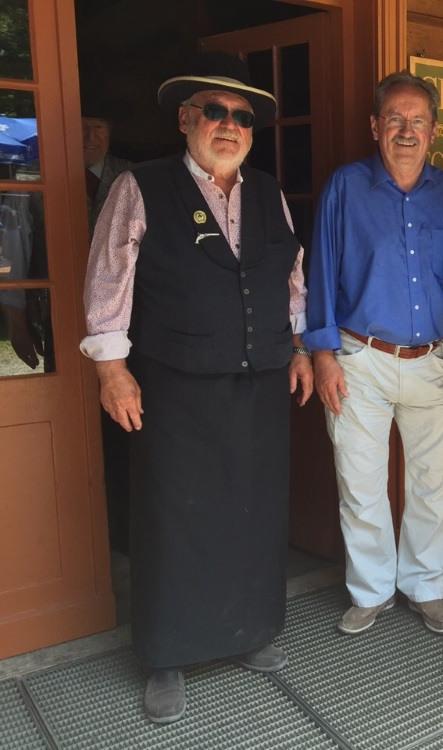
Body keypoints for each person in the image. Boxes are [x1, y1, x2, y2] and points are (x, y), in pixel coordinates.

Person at [80, 51, 313, 725]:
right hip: (174, 388)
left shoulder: (268, 192)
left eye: (242, 116)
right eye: (215, 111)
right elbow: (109, 279)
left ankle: (248, 632)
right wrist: (111, 369)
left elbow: (290, 277)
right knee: (174, 519)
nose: (229, 125)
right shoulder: (142, 186)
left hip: (260, 381)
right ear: (186, 119)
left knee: (252, 512)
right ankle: (166, 654)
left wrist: (299, 346)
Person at [303, 72, 443, 637]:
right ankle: (371, 590)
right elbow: (321, 270)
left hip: (435, 360)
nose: (406, 130)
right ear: (375, 126)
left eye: (418, 120)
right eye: (395, 119)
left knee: (435, 483)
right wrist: (323, 354)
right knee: (360, 482)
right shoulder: (346, 187)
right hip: (360, 358)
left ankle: (426, 588)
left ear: (434, 131)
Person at [81, 92, 133, 552]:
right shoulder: (37, 172)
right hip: (62, 315)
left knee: (119, 428)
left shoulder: (131, 178)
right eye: (80, 124)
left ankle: (121, 528)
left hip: (123, 328)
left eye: (97, 125)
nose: (88, 135)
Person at [82, 95, 131, 233]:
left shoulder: (132, 175)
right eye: (81, 127)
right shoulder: (40, 179)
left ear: (109, 132)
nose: (91, 137)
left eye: (98, 127)